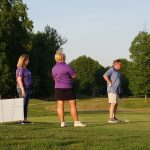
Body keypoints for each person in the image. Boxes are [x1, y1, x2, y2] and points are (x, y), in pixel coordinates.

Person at [52, 49, 86, 127]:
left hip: (58, 87)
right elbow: (74, 75)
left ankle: (62, 122)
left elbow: (54, 78)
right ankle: (76, 122)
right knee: (72, 104)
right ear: (63, 57)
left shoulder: (53, 68)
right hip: (68, 87)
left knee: (60, 104)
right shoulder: (67, 66)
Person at [103, 59, 122, 123]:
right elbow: (105, 75)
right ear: (115, 64)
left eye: (120, 64)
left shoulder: (118, 72)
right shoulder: (111, 69)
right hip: (112, 90)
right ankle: (110, 118)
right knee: (113, 103)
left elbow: (118, 81)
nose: (120, 65)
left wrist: (120, 91)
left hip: (116, 90)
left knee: (116, 104)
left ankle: (114, 117)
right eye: (119, 64)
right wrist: (109, 82)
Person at [16, 54, 32, 124]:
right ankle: (19, 119)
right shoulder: (20, 69)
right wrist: (22, 89)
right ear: (23, 60)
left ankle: (25, 119)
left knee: (25, 104)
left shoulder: (26, 69)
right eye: (27, 60)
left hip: (27, 88)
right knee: (22, 104)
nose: (28, 61)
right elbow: (19, 79)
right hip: (23, 88)